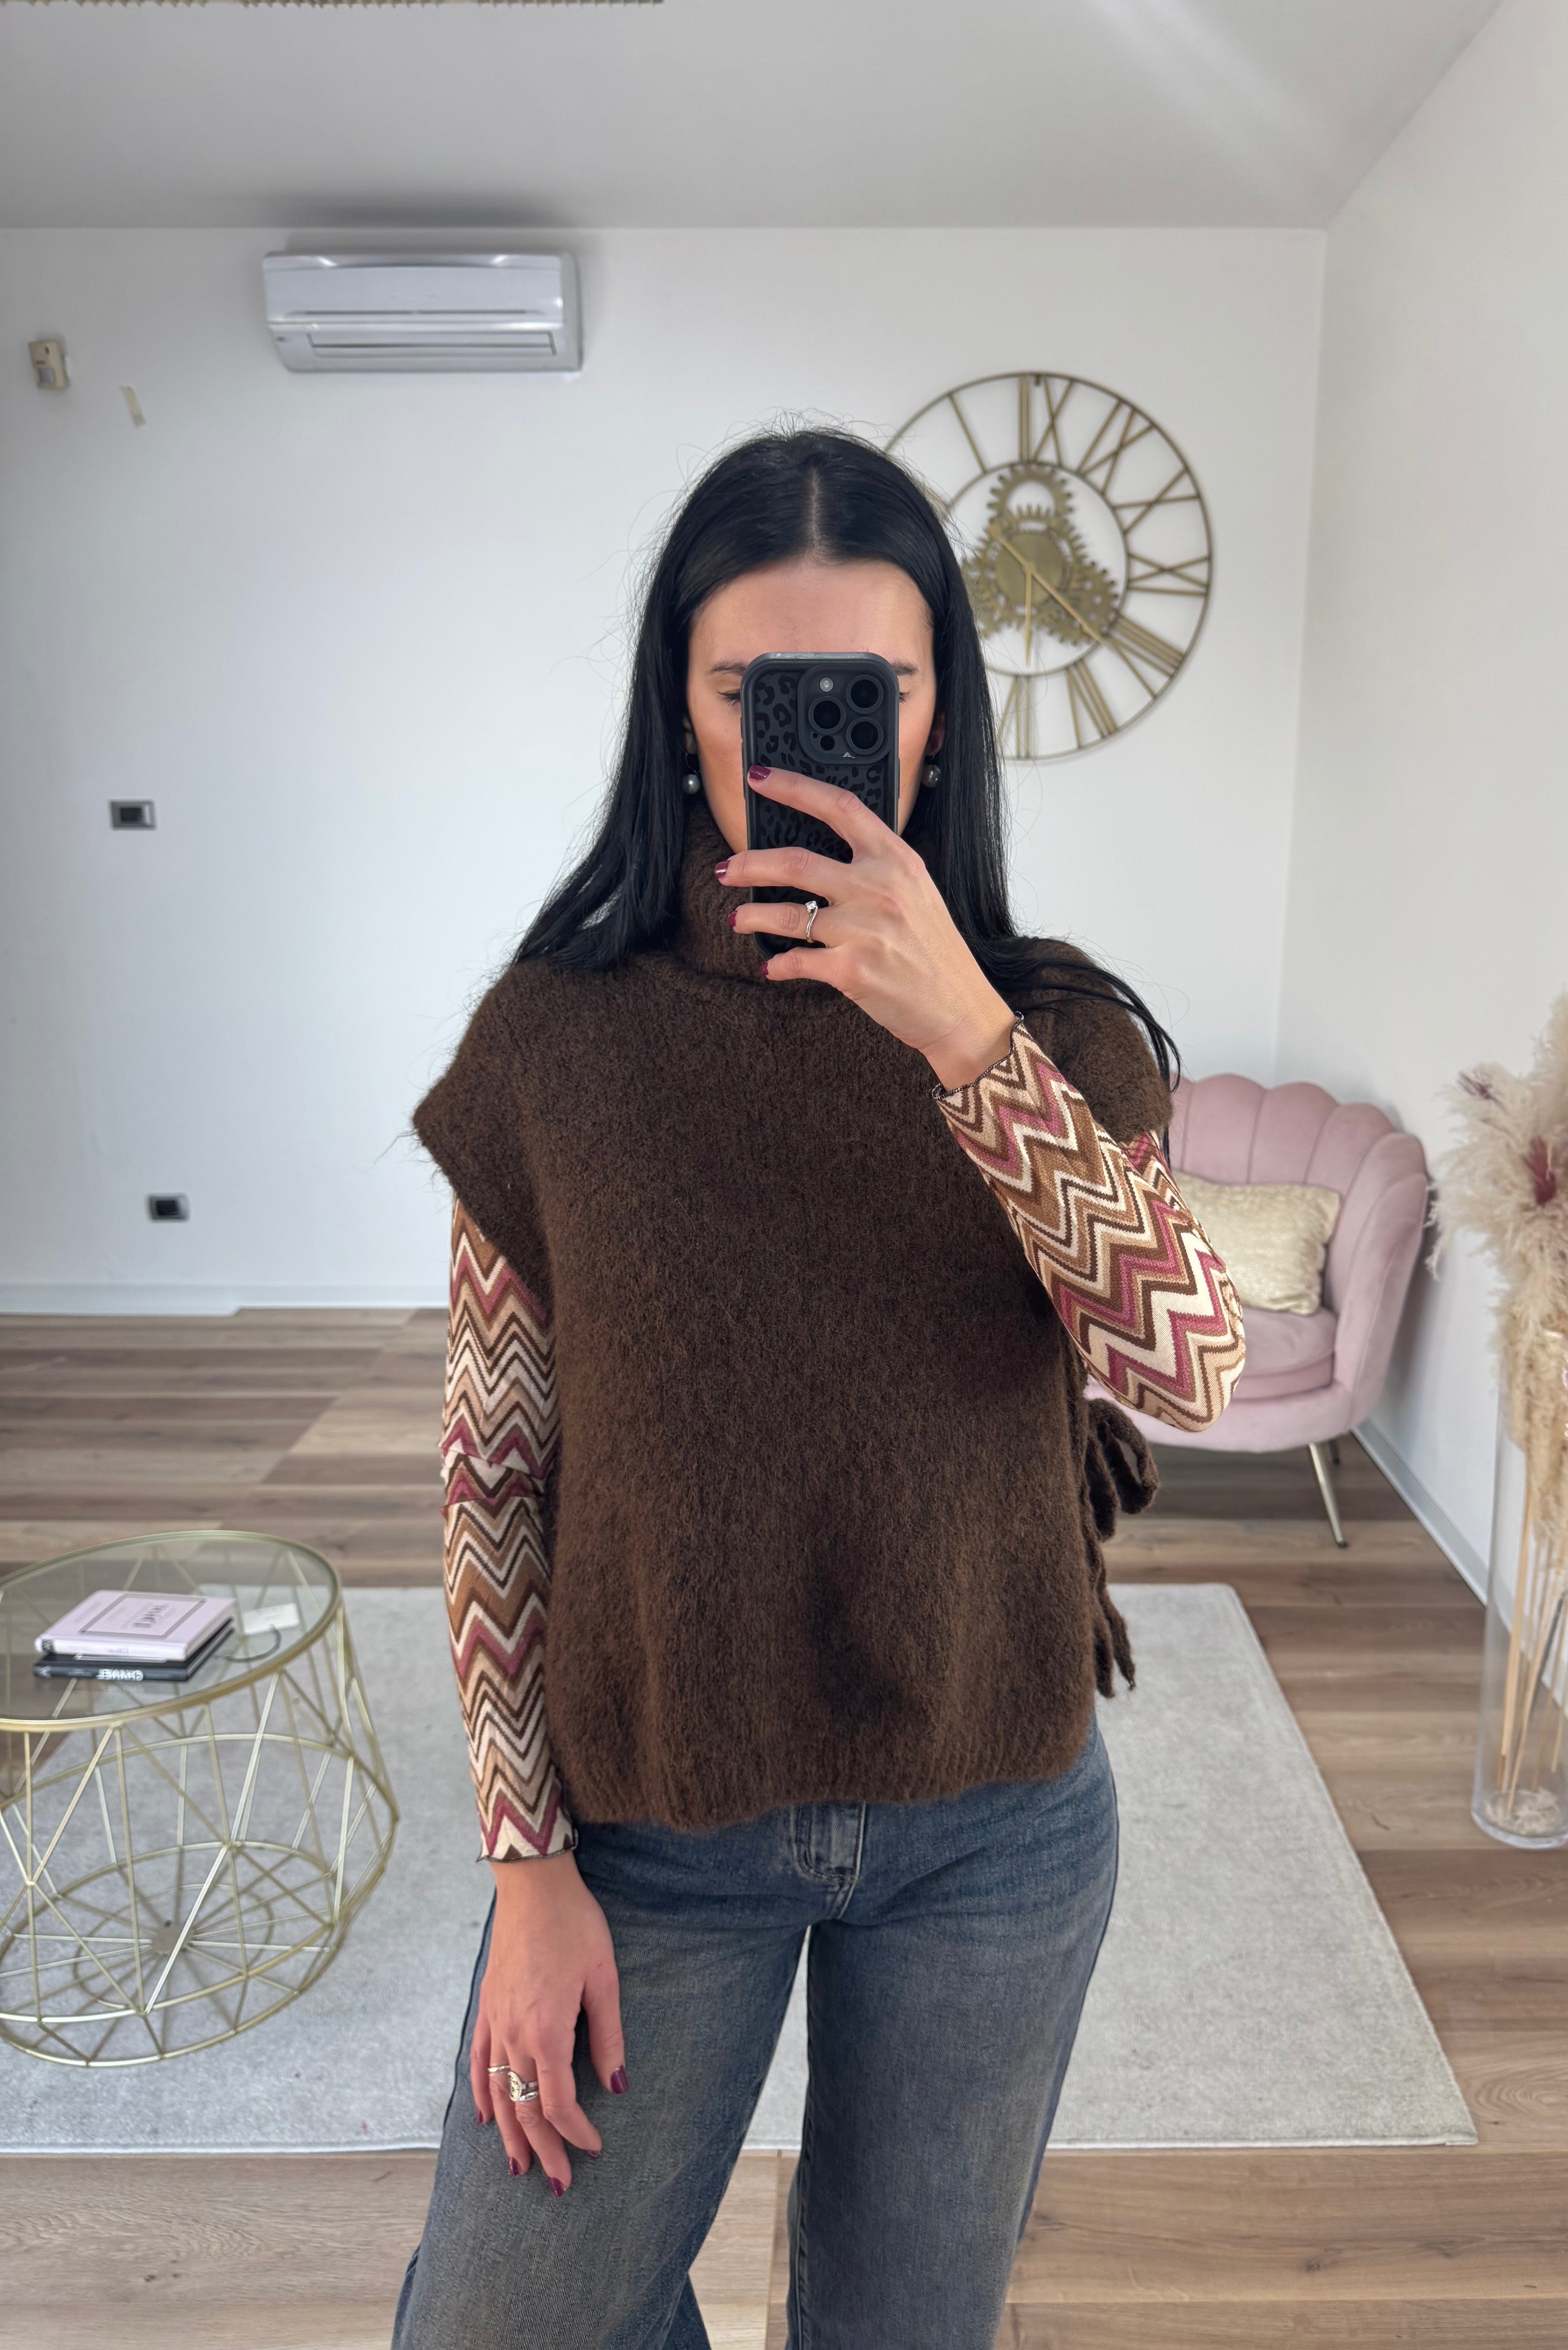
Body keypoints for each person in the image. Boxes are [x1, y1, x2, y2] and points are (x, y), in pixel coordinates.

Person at [391, 427, 1244, 2349]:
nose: (801, 741)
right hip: (652, 1824)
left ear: (937, 715)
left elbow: (1186, 1364)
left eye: (868, 687)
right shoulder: (556, 1043)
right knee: (505, 2324)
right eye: (746, 691)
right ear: (679, 712)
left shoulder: (1057, 1032)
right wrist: (526, 1870)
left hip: (996, 1823)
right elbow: (492, 1475)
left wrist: (966, 1041)